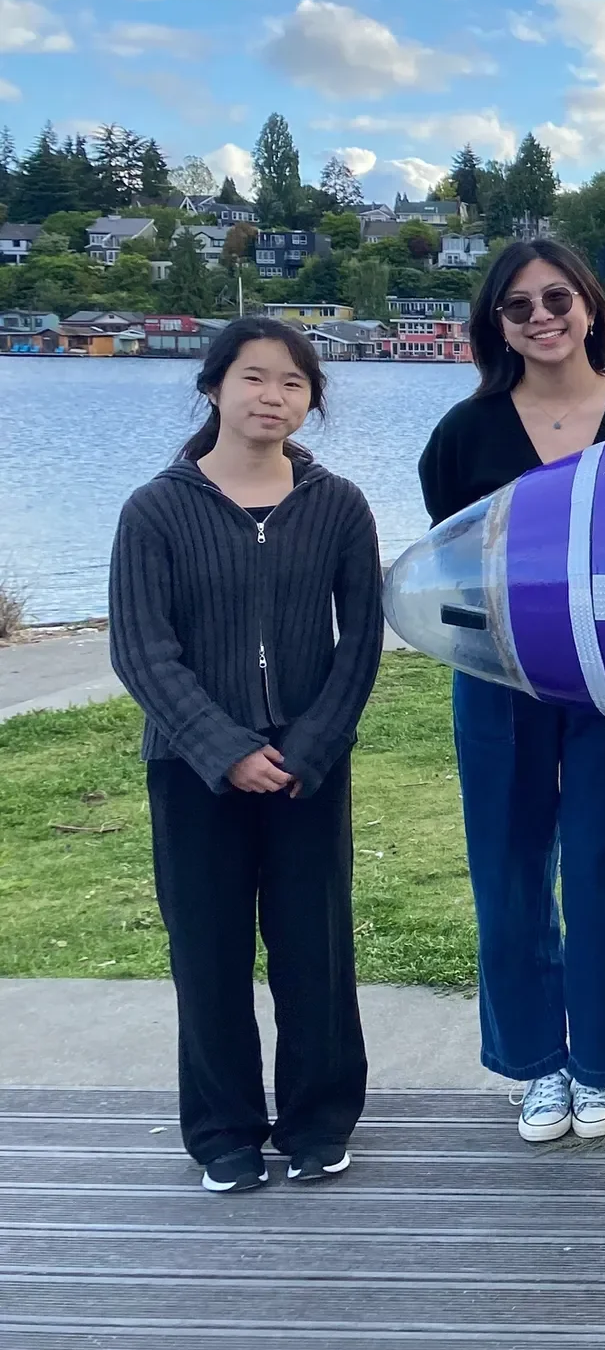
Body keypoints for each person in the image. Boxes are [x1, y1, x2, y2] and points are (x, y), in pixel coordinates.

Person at [109, 318, 382, 1193]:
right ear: (215, 386)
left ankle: (318, 1120)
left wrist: (309, 746)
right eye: (256, 378)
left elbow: (361, 641)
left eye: (294, 384)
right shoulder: (155, 509)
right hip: (193, 773)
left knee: (314, 948)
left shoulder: (337, 504)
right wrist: (223, 749)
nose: (274, 397)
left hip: (308, 768)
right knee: (210, 950)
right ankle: (224, 1131)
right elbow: (142, 650)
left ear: (311, 401)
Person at [417, 238, 605, 1145]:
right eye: (518, 307)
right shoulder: (464, 433)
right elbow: (449, 569)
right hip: (497, 680)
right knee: (509, 868)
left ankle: (601, 1064)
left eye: (557, 299)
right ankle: (535, 1066)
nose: (542, 319)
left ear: (591, 307)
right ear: (498, 327)